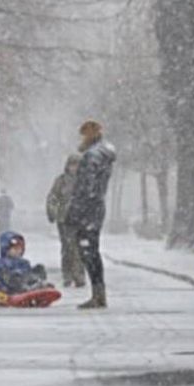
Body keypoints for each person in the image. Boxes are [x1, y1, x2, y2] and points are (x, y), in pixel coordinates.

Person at [62, 120, 116, 309]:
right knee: (91, 251)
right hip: (96, 208)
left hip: (88, 210)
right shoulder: (102, 155)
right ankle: (99, 293)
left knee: (88, 252)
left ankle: (98, 295)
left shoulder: (92, 156)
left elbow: (86, 188)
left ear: (90, 135)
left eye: (83, 135)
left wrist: (75, 211)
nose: (81, 139)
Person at [45, 151, 87, 288]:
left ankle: (79, 275)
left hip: (80, 220)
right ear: (67, 166)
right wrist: (52, 212)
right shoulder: (61, 181)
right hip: (65, 219)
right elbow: (53, 197)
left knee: (80, 248)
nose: (74, 168)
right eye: (72, 165)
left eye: (77, 165)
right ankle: (68, 275)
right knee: (68, 248)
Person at [0, 231, 53, 305]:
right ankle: (25, 288)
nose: (17, 251)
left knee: (39, 268)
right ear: (6, 249)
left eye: (19, 249)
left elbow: (28, 276)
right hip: (7, 289)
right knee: (15, 275)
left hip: (24, 283)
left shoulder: (24, 262)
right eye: (14, 249)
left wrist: (33, 277)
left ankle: (38, 284)